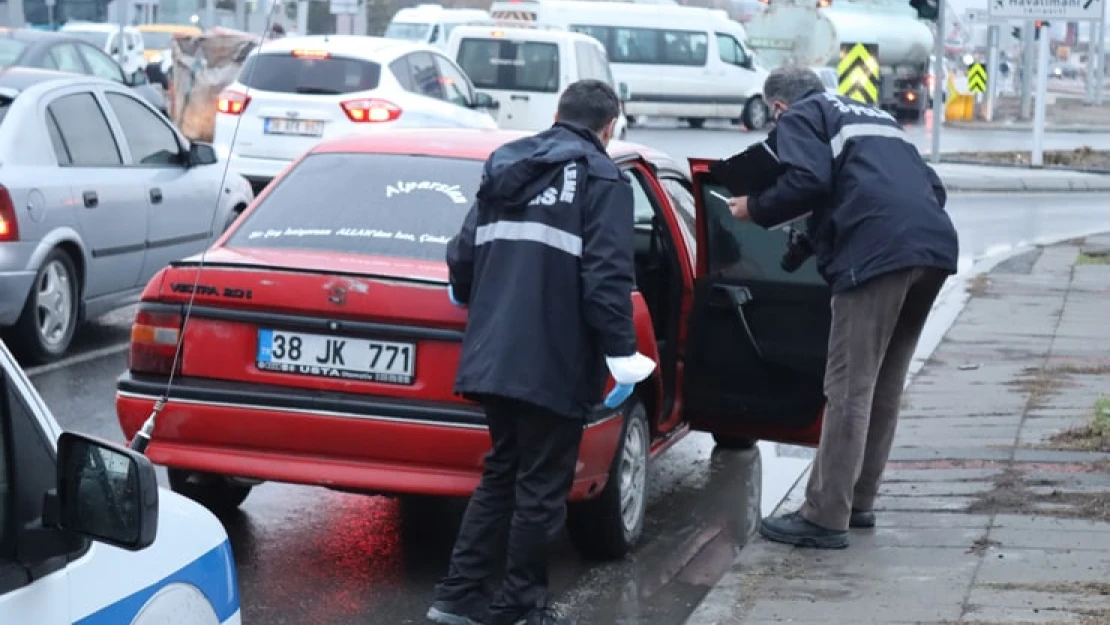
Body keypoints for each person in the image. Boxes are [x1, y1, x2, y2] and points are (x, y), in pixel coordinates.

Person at [428, 79, 656, 625]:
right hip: (552, 360)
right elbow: (605, 276)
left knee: (502, 473)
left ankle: (458, 599)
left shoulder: (507, 162)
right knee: (539, 488)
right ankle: (519, 606)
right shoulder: (603, 178)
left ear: (558, 114)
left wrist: (467, 290)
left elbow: (463, 252)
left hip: (491, 354)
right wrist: (620, 352)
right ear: (609, 127)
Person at [727, 66, 959, 549]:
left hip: (877, 257)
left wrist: (757, 207)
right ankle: (857, 501)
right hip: (932, 249)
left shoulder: (800, 118)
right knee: (884, 384)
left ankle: (823, 516)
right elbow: (928, 187)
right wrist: (816, 238)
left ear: (778, 108)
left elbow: (808, 179)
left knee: (849, 387)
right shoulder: (872, 116)